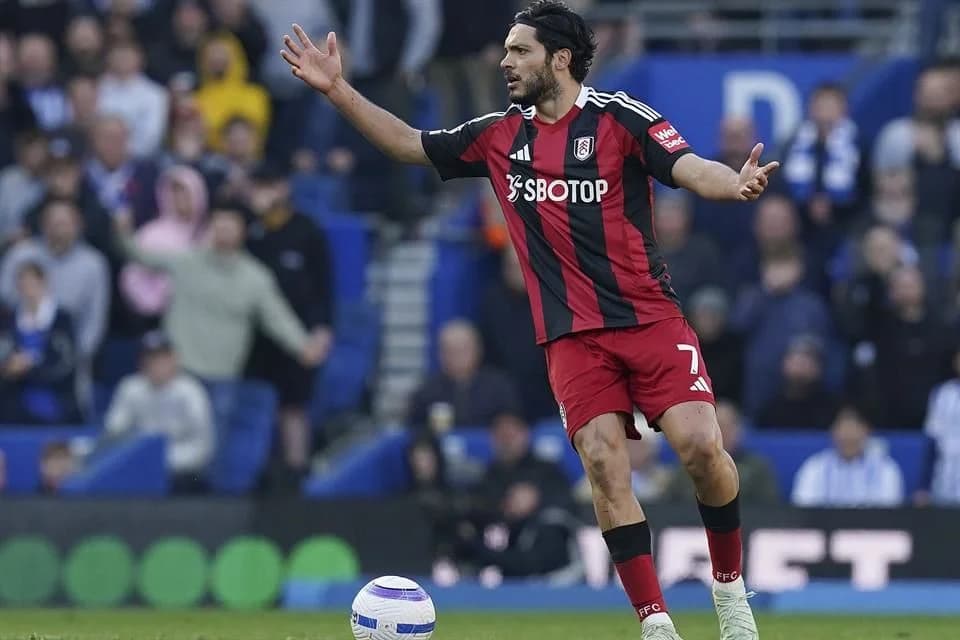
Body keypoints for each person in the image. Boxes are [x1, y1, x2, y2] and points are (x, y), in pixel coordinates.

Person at [280, 2, 778, 637]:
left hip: (648, 319)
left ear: (560, 59)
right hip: (571, 336)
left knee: (703, 449)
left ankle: (730, 593)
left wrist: (730, 184)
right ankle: (656, 624)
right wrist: (338, 90)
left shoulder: (620, 117)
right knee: (602, 463)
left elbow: (687, 168)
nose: (505, 61)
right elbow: (410, 144)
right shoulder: (496, 135)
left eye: (520, 51)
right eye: (506, 51)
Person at [115, 200, 328, 379]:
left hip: (221, 376)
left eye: (231, 222)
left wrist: (303, 347)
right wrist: (122, 230)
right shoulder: (186, 260)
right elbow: (140, 255)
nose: (224, 227)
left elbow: (278, 318)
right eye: (219, 220)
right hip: (178, 373)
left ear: (244, 230)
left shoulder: (255, 278)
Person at [246, 165, 334, 481]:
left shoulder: (307, 229)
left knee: (294, 405)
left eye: (271, 184)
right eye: (259, 185)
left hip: (299, 332)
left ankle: (297, 471)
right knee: (255, 402)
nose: (265, 192)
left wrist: (323, 327)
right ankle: (255, 471)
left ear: (285, 187)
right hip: (254, 335)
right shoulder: (248, 229)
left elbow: (325, 284)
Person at [105, 330, 214, 494]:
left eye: (161, 357)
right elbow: (113, 431)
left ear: (174, 359)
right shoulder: (130, 387)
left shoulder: (191, 392)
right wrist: (137, 456)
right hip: (137, 464)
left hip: (181, 470)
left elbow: (202, 447)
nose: (155, 364)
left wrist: (158, 459)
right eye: (150, 358)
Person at [0, 261, 79, 424]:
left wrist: (32, 365)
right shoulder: (11, 318)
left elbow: (66, 360)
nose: (27, 288)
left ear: (43, 282)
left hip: (54, 391)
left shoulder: (61, 318)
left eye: (32, 282)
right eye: (23, 283)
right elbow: (4, 349)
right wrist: (9, 365)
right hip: (16, 393)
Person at [791, 406, 904, 507]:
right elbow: (803, 508)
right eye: (844, 431)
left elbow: (889, 509)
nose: (848, 437)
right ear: (833, 433)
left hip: (871, 528)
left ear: (866, 432)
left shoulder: (886, 468)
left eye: (853, 431)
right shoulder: (815, 467)